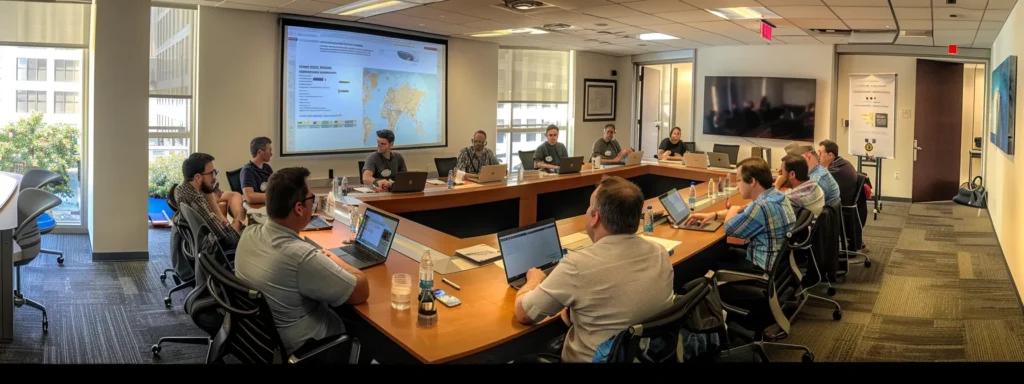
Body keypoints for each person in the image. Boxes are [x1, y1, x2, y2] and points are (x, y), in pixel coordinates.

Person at [513, 176, 675, 363]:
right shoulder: (660, 253)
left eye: (590, 207)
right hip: (645, 356)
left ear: (595, 217)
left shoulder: (576, 266)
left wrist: (534, 279)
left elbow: (525, 314)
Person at [234, 167, 370, 358]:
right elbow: (361, 291)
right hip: (310, 347)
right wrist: (338, 260)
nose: (313, 202)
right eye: (311, 199)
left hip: (263, 340)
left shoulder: (249, 234)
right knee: (374, 335)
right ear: (299, 208)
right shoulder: (301, 257)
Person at [687, 157, 796, 273]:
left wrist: (734, 208)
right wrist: (714, 215)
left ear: (752, 182)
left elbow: (730, 228)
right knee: (722, 251)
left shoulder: (761, 206)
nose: (738, 186)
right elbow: (745, 211)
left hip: (761, 268)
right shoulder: (777, 195)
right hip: (779, 266)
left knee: (705, 259)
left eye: (739, 180)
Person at [174, 153, 243, 250]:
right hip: (219, 251)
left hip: (201, 248)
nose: (214, 177)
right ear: (197, 177)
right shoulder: (196, 200)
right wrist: (238, 222)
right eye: (211, 173)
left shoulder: (181, 189)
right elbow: (230, 239)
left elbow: (211, 190)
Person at [776, 144, 840, 206]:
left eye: (797, 159)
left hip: (818, 216)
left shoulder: (817, 179)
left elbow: (782, 202)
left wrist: (777, 185)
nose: (793, 163)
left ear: (808, 156)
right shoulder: (818, 171)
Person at [818, 139, 858, 204]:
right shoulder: (841, 163)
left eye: (820, 153)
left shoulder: (836, 171)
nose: (818, 156)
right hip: (839, 203)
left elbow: (817, 187)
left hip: (840, 207)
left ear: (830, 155)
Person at [240, 136, 274, 205]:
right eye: (269, 150)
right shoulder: (247, 171)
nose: (271, 153)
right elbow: (249, 197)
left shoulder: (267, 168)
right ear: (259, 152)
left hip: (268, 205)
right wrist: (275, 197)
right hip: (257, 209)